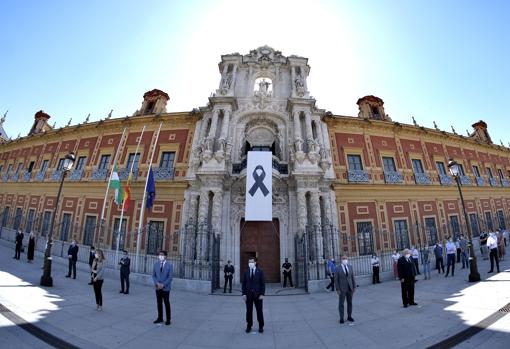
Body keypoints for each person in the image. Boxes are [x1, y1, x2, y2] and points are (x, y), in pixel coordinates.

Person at [242, 257, 265, 333]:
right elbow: (244, 284)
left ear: (255, 262)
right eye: (249, 262)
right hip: (248, 295)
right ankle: (249, 325)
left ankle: (261, 326)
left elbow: (262, 284)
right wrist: (244, 294)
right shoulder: (246, 272)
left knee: (259, 311)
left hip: (258, 295)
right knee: (248, 311)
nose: (250, 263)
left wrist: (262, 294)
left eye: (251, 262)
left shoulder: (260, 271)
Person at [152, 250, 173, 326]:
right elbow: (153, 275)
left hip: (165, 288)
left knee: (166, 303)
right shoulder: (156, 264)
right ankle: (160, 318)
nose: (160, 256)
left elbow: (170, 277)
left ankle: (168, 319)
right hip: (157, 287)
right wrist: (157, 283)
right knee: (159, 303)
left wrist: (163, 285)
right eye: (159, 255)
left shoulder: (169, 265)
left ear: (165, 256)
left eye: (162, 255)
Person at [334, 255, 356, 323]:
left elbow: (352, 277)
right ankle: (341, 318)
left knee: (350, 303)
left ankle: (349, 316)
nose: (345, 259)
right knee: (341, 304)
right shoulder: (338, 268)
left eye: (346, 258)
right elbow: (336, 280)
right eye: (343, 258)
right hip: (342, 289)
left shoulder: (350, 267)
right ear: (341, 259)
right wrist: (337, 289)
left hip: (350, 288)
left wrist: (354, 286)